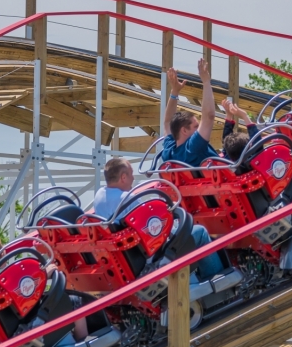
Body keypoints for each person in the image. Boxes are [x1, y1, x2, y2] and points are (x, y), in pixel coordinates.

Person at [92, 156, 224, 280]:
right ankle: (219, 281)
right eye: (131, 174)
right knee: (199, 232)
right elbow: (153, 228)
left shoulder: (99, 196)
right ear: (123, 177)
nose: (133, 178)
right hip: (150, 256)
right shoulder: (127, 199)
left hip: (125, 256)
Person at [160, 58, 220, 166]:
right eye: (196, 126)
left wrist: (175, 91)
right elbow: (209, 117)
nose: (199, 129)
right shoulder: (192, 148)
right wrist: (206, 82)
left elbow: (168, 122)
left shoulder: (169, 152)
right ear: (184, 130)